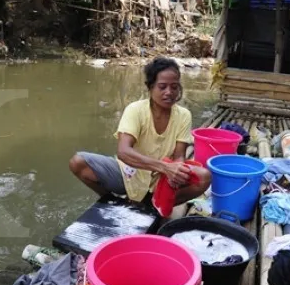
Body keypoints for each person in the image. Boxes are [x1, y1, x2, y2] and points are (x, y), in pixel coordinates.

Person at [69, 57, 211, 207]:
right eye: (162, 87)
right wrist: (164, 167)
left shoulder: (184, 115)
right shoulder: (135, 110)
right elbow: (123, 152)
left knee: (204, 177)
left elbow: (179, 155)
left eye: (174, 87)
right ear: (150, 87)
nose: (169, 92)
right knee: (78, 162)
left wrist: (176, 170)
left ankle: (159, 203)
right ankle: (112, 200)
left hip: (162, 178)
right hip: (129, 174)